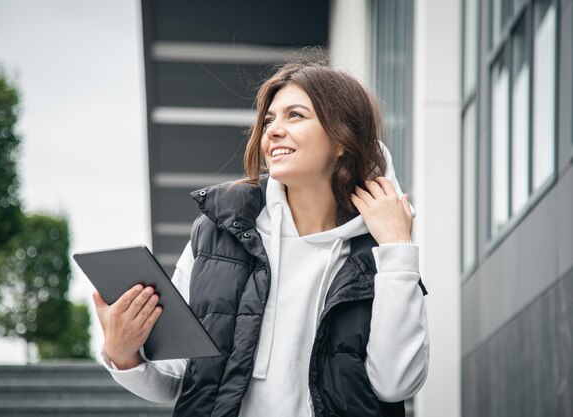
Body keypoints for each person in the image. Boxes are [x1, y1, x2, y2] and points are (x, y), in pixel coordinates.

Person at [93, 61, 429, 417]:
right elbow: (178, 378)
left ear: (342, 139)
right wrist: (123, 353)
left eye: (295, 115)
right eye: (269, 120)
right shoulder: (217, 232)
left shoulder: (380, 249)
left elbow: (396, 383)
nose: (273, 131)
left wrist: (396, 248)